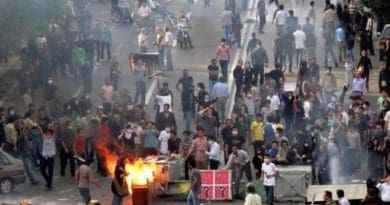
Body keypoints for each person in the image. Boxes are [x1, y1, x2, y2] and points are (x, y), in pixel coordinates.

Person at [40, 126, 56, 190]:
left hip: (51, 158)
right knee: (42, 171)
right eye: (47, 133)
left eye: (49, 133)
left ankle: (49, 185)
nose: (48, 134)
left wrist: (55, 126)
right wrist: (38, 126)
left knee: (50, 172)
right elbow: (41, 132)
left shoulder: (52, 139)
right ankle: (48, 180)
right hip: (44, 157)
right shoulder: (44, 138)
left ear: (51, 134)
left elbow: (55, 132)